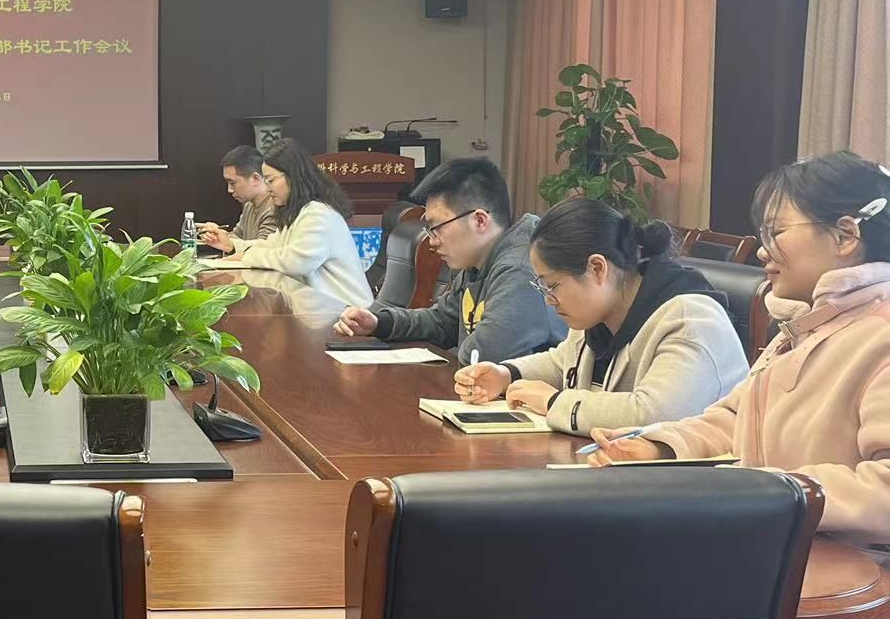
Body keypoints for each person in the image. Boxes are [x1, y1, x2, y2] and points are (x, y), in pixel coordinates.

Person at [589, 153, 890, 619]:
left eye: (776, 231)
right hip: (770, 604)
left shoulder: (880, 335)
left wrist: (771, 489)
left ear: (846, 235)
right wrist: (657, 444)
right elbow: (729, 418)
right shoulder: (801, 329)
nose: (760, 250)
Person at [453, 199, 748, 435]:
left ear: (597, 268)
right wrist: (506, 375)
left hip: (695, 485)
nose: (548, 299)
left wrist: (553, 402)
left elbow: (656, 414)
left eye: (552, 285)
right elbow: (562, 362)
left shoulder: (691, 320)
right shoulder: (600, 312)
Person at [333, 156, 565, 362]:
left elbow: (484, 354)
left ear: (479, 221)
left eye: (436, 228)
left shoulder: (521, 269)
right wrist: (379, 323)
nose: (432, 241)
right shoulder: (477, 263)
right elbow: (441, 322)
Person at [210, 138, 372, 312]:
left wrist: (248, 256)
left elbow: (297, 262)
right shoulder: (299, 211)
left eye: (270, 180)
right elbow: (271, 244)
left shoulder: (318, 213)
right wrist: (234, 246)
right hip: (323, 311)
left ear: (293, 176)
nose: (268, 188)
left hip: (350, 314)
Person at [199, 145, 279, 252]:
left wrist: (228, 241)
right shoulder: (249, 205)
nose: (230, 190)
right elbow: (237, 238)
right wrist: (218, 234)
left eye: (233, 183)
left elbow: (262, 249)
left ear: (255, 179)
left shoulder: (274, 207)